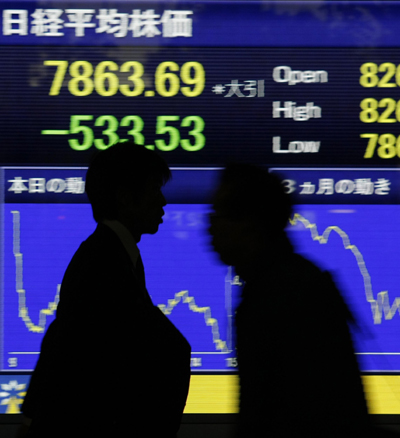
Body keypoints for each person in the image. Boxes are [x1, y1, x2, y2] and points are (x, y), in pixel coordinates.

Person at [19, 142, 191, 438]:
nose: (162, 201)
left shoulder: (109, 254)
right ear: (124, 197)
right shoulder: (104, 261)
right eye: (154, 189)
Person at [208, 163, 373, 438]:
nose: (210, 227)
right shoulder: (295, 281)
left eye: (218, 214)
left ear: (250, 224)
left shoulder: (279, 295)